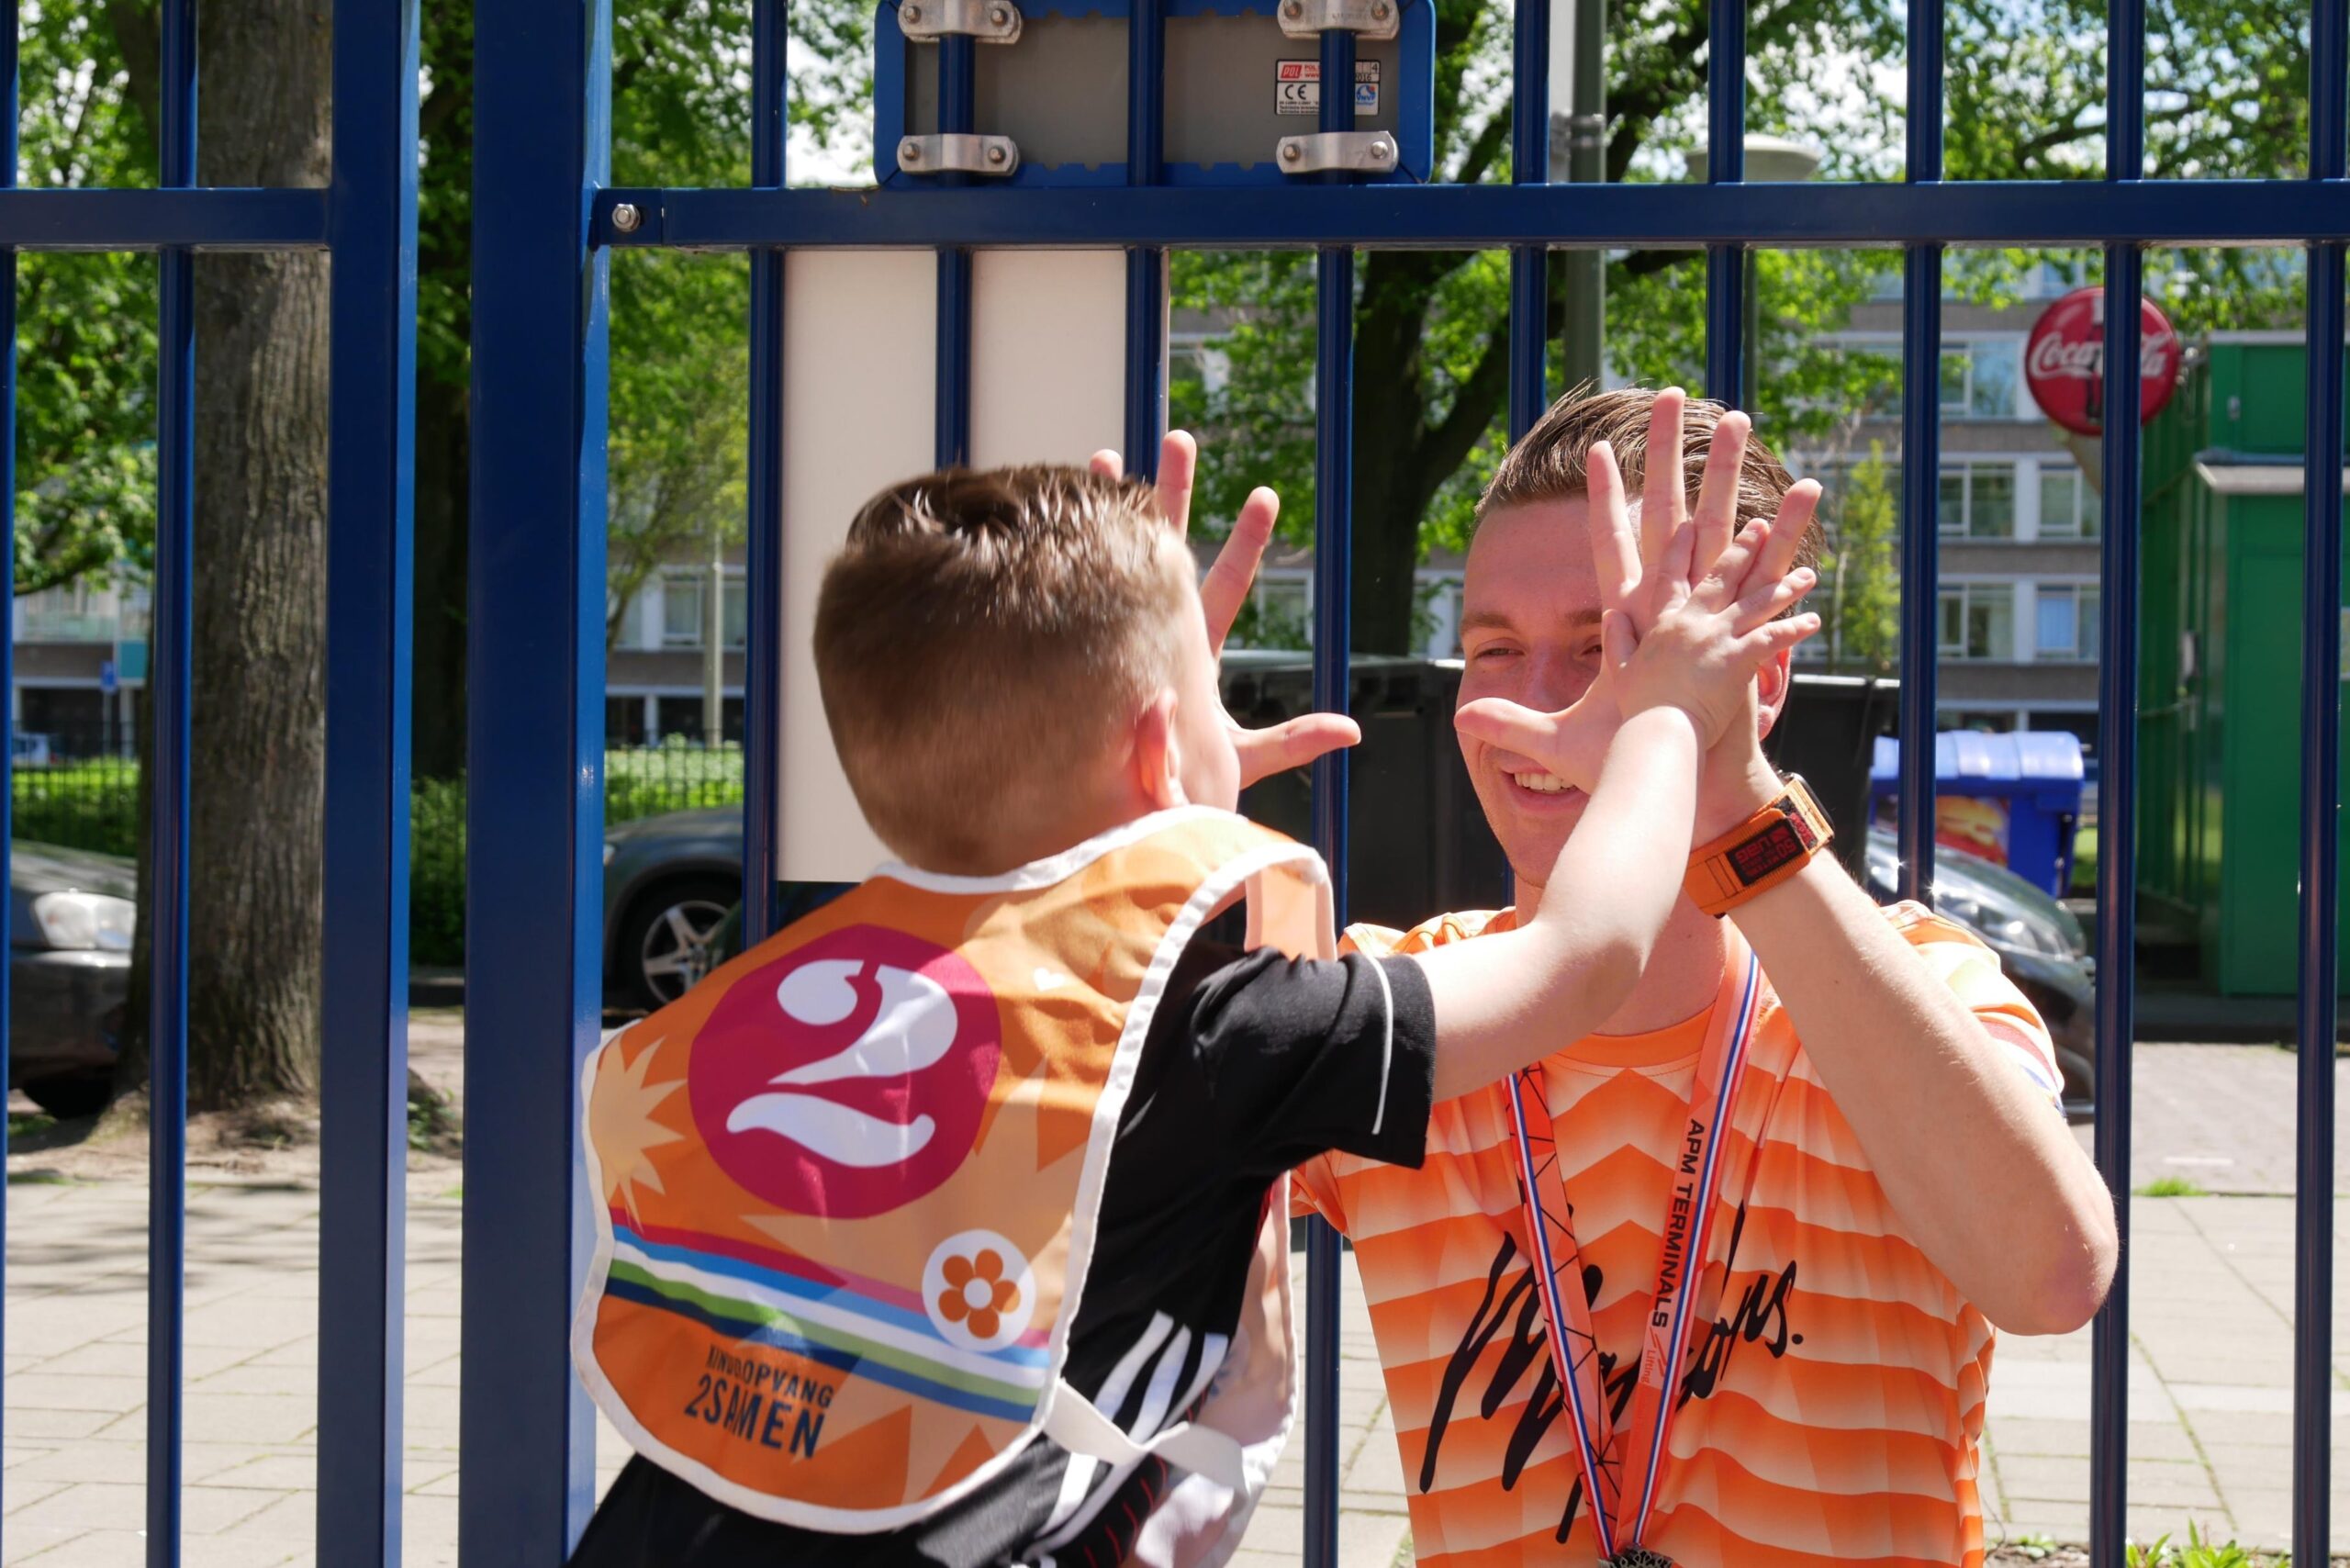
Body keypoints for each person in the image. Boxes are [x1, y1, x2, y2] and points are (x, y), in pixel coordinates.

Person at [563, 448, 1819, 1567]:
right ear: (1165, 751)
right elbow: (1582, 953)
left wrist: (1164, 799)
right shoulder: (1227, 1030)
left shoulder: (774, 1004)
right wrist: (1668, 712)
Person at [1288, 386, 2121, 1568]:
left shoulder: (1916, 982)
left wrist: (1722, 791)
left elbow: (2051, 1271)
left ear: (1759, 679)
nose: (1533, 704)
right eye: (1492, 650)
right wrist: (1135, 846)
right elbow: (1061, 1165)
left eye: (1605, 648)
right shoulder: (1405, 997)